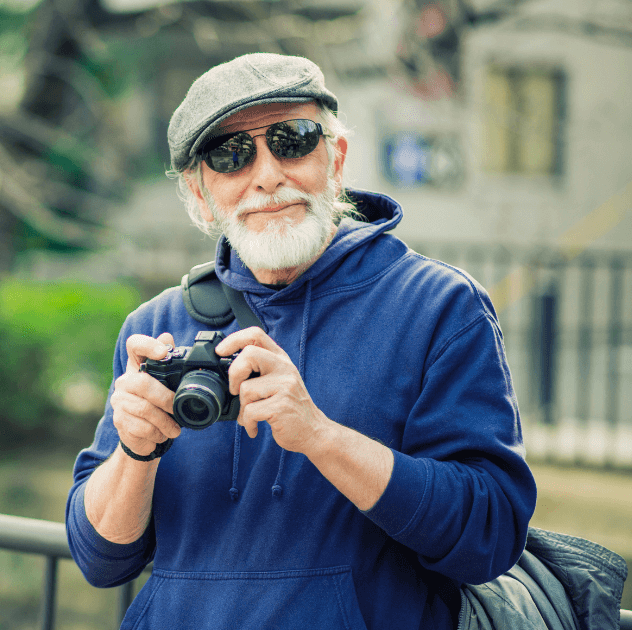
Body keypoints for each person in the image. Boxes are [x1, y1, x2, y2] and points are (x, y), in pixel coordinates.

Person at [65, 52, 537, 630]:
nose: (267, 175)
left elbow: (489, 535)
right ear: (198, 193)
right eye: (230, 154)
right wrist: (135, 453)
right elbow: (100, 559)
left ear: (335, 158)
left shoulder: (440, 307)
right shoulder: (156, 326)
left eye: (292, 139)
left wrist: (319, 436)